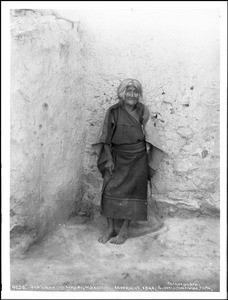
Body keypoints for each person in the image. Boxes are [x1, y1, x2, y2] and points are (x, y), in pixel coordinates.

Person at [92, 79, 164, 245]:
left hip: (137, 158)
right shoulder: (113, 111)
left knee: (133, 193)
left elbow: (150, 134)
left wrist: (147, 151)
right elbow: (105, 137)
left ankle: (124, 231)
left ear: (139, 94)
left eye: (135, 91)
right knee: (109, 189)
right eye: (129, 91)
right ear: (122, 93)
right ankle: (110, 228)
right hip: (117, 157)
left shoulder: (142, 111)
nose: (132, 95)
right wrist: (109, 159)